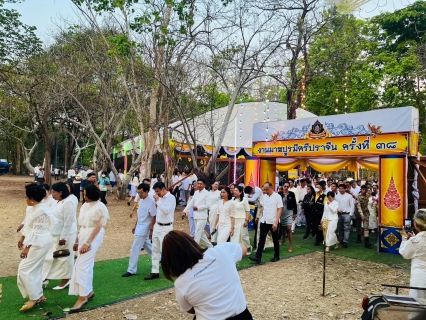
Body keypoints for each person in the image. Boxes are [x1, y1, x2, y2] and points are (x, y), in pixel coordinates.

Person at [161, 230, 253, 319]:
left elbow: (190, 309)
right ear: (191, 242)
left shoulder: (181, 283)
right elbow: (244, 249)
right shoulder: (221, 250)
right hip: (242, 315)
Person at [68, 185, 109, 312]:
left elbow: (98, 227)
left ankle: (83, 295)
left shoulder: (100, 207)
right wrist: (77, 240)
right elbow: (81, 224)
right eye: (84, 194)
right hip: (83, 234)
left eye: (87, 195)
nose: (84, 197)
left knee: (81, 265)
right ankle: (88, 291)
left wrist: (87, 243)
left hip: (94, 236)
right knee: (87, 264)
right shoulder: (85, 205)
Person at [17, 184, 55, 312]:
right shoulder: (31, 208)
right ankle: (39, 295)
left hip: (40, 242)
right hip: (36, 241)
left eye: (26, 197)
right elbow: (28, 225)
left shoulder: (42, 211)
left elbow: (36, 232)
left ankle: (34, 297)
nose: (25, 199)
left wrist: (27, 247)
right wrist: (22, 238)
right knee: (35, 269)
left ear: (32, 198)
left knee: (25, 269)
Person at [42, 182, 77, 290]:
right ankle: (45, 277)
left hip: (65, 235)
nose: (52, 194)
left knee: (65, 257)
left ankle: (66, 279)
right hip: (55, 234)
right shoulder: (59, 202)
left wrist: (63, 237)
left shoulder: (68, 202)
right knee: (52, 257)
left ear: (61, 192)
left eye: (54, 192)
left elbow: (68, 221)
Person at [123, 183, 157, 277]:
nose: (139, 194)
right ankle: (160, 259)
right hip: (139, 226)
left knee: (135, 248)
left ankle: (131, 269)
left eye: (141, 193)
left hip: (145, 228)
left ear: (147, 192)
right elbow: (139, 215)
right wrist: (135, 226)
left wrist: (151, 230)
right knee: (148, 246)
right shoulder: (141, 200)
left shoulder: (151, 201)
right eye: (138, 192)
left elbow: (153, 216)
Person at [145, 181, 176, 280]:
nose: (156, 193)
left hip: (166, 228)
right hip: (157, 226)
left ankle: (173, 268)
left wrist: (158, 201)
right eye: (155, 192)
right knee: (155, 250)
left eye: (158, 191)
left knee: (165, 250)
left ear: (163, 189)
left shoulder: (171, 198)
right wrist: (152, 228)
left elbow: (166, 211)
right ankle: (155, 271)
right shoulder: (158, 198)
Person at [249, 182, 282, 264]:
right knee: (261, 239)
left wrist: (276, 222)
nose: (265, 191)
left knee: (275, 239)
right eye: (264, 189)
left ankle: (276, 255)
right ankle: (258, 257)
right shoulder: (263, 197)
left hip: (273, 221)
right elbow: (261, 208)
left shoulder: (277, 197)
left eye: (267, 189)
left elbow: (280, 209)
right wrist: (258, 217)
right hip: (264, 220)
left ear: (272, 187)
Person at [399, 209, 426, 298]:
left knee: (417, 307)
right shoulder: (415, 240)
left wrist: (404, 239)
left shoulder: (415, 241)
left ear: (416, 224)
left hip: (420, 280)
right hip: (420, 279)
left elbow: (405, 253)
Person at [182, 178, 213, 248]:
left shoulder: (207, 193)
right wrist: (184, 211)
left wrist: (198, 208)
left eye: (201, 184)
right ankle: (211, 247)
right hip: (196, 216)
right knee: (201, 234)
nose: (199, 185)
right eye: (198, 184)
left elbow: (208, 205)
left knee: (197, 233)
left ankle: (194, 249)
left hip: (202, 217)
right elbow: (191, 203)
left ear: (204, 185)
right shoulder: (196, 193)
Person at [231, 186, 252, 253]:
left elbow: (247, 211)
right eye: (234, 190)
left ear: (240, 192)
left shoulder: (244, 200)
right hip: (234, 220)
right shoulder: (232, 199)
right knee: (234, 235)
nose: (235, 192)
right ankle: (236, 250)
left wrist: (246, 220)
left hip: (242, 219)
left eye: (236, 190)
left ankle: (248, 247)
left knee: (243, 235)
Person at [335, 184, 355, 248]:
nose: (340, 190)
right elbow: (335, 205)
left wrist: (350, 214)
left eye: (342, 188)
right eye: (339, 188)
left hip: (347, 214)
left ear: (345, 189)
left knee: (346, 228)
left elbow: (352, 205)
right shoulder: (337, 196)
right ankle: (342, 239)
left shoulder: (349, 196)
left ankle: (345, 241)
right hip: (339, 214)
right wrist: (338, 210)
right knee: (340, 228)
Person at [280, 182, 297, 252]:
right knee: (283, 228)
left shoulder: (292, 194)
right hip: (282, 212)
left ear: (289, 187)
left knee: (289, 228)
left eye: (287, 186)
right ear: (283, 186)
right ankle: (283, 239)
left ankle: (290, 245)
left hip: (289, 212)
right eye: (285, 186)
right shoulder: (279, 194)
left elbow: (294, 204)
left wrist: (295, 213)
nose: (286, 188)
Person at [244, 185, 262, 249]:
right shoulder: (252, 191)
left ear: (252, 190)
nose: (250, 194)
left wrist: (244, 198)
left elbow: (253, 199)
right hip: (257, 208)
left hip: (261, 209)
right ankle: (255, 242)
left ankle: (257, 243)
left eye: (250, 193)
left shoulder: (258, 190)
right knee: (255, 225)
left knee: (258, 226)